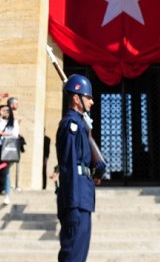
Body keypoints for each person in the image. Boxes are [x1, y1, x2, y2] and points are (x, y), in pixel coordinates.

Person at [56, 74, 97, 262]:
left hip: (83, 196)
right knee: (72, 255)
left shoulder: (80, 124)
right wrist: (72, 204)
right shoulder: (71, 125)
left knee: (79, 255)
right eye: (88, 97)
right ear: (76, 98)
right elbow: (70, 165)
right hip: (76, 198)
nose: (92, 102)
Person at [0, 103, 19, 205]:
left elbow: (15, 134)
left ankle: (7, 194)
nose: (5, 112)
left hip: (7, 148)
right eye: (3, 110)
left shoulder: (14, 122)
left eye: (7, 110)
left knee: (6, 171)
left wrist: (1, 133)